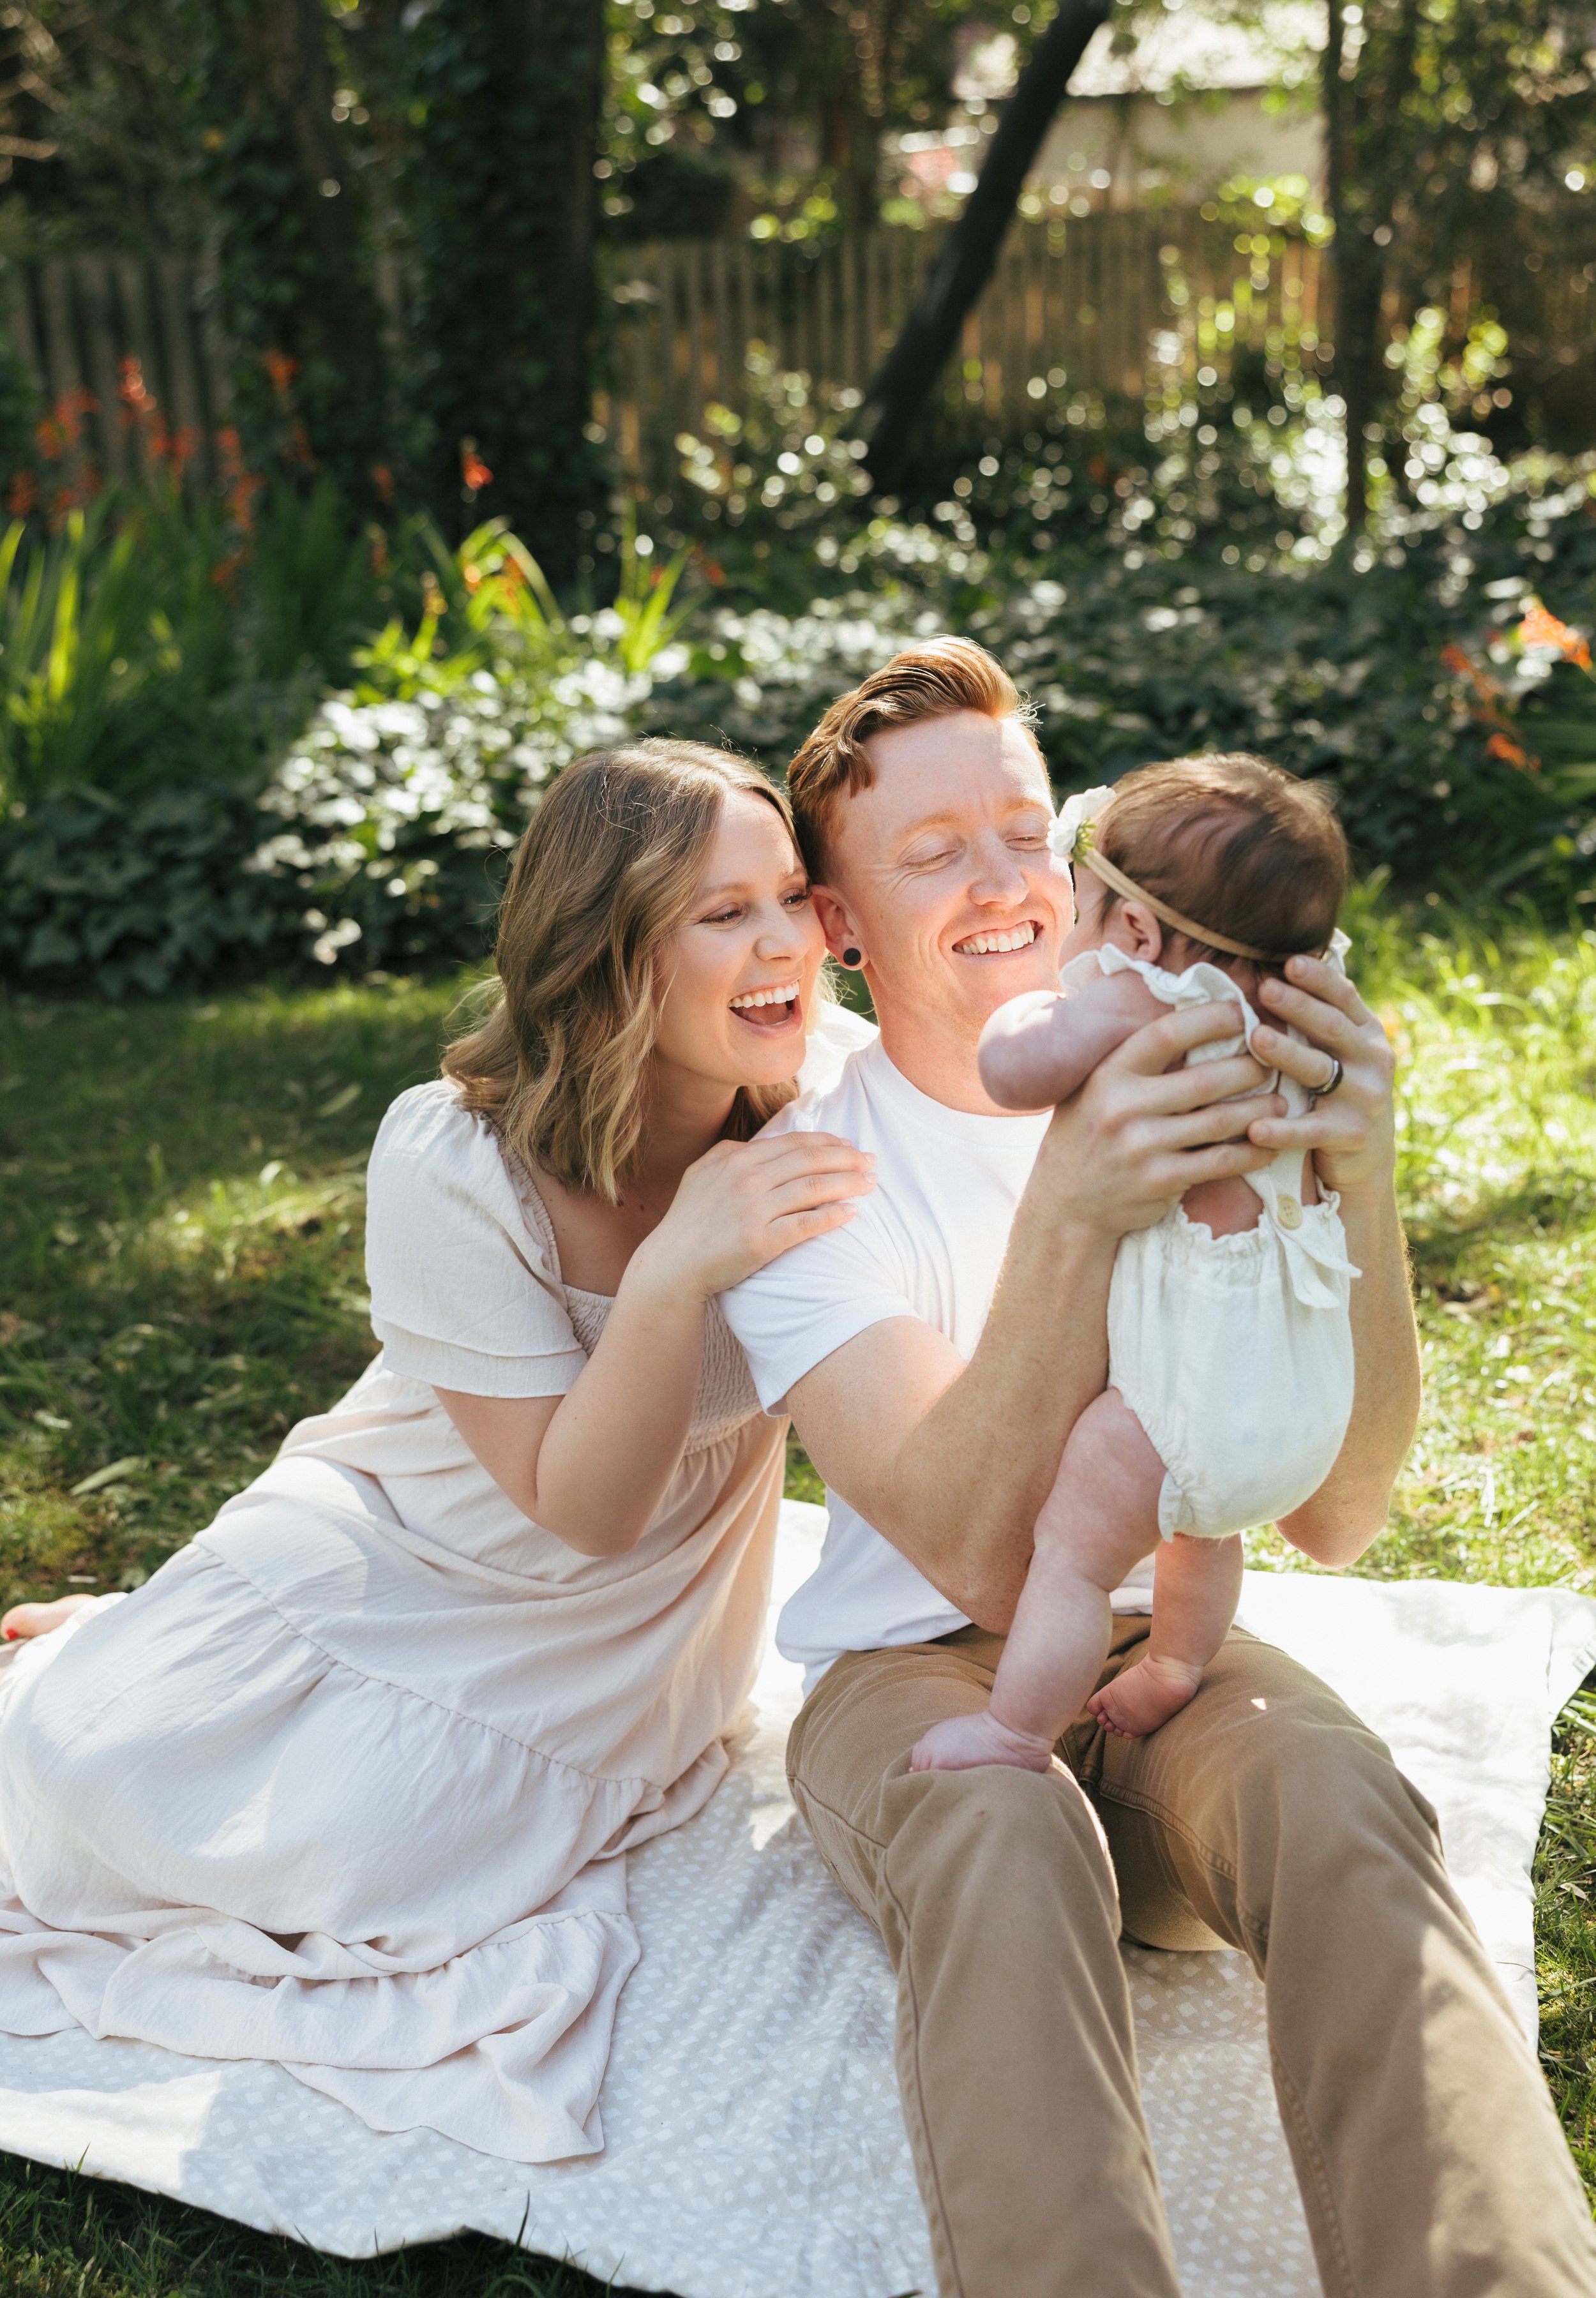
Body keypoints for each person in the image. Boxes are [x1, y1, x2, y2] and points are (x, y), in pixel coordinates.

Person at [721, 640, 1596, 2298]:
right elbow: (979, 1568)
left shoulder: (1224, 1078)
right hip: (917, 1664)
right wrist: (1075, 1208)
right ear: (835, 923)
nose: (1006, 886)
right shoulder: (808, 1181)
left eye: (1024, 828)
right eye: (930, 854)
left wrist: (1359, 1171)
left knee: (1341, 1806)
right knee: (1002, 1830)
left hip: (1173, 1645)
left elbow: (1335, 1514)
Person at [0, 737, 873, 2165]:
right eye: (721, 914)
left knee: (391, 1858)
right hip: (403, 1539)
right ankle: (102, 1657)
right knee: (91, 1776)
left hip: (624, 1631)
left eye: (790, 895)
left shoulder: (830, 1091)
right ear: (603, 951)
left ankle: (132, 1650)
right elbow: (569, 1505)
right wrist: (674, 1272)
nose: (783, 943)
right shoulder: (453, 1160)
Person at [911, 753, 1360, 1770]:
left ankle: (1018, 1730)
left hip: (1180, 1404)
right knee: (1206, 1528)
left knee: (1073, 1556)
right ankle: (1174, 1665)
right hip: (1294, 1409)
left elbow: (1013, 1068)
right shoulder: (1301, 1013)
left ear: (1136, 931)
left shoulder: (1144, 996)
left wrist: (1036, 1008)